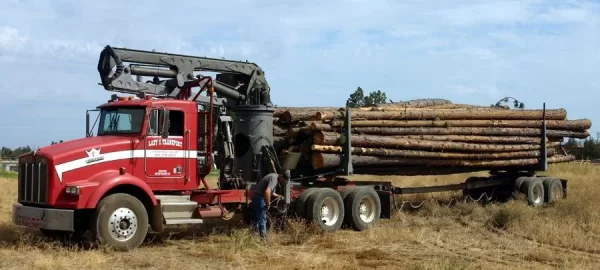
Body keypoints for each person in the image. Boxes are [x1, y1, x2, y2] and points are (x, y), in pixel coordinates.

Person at [251, 172, 286, 241]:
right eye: (283, 180)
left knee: (257, 218)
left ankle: (253, 237)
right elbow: (267, 192)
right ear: (281, 176)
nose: (283, 182)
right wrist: (268, 203)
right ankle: (264, 240)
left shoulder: (273, 176)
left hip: (257, 197)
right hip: (259, 198)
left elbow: (271, 192)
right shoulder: (274, 179)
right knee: (262, 218)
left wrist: (278, 196)